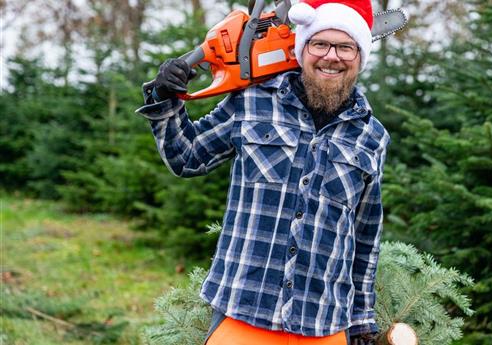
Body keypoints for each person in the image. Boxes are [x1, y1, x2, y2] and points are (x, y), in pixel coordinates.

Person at [137, 0, 389, 344]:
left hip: (324, 324)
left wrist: (361, 321)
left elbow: (365, 235)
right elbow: (187, 156)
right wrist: (167, 98)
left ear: (360, 56)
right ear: (303, 48)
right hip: (242, 315)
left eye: (345, 47)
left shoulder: (371, 136)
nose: (332, 56)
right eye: (320, 44)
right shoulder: (253, 101)